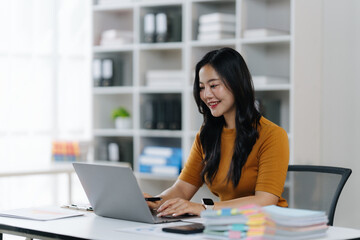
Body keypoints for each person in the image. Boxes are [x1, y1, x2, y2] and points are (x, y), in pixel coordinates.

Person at [144, 47, 289, 218]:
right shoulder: (206, 136)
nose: (206, 95)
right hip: (225, 224)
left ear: (236, 84)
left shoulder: (272, 135)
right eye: (201, 87)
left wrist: (206, 209)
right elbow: (182, 188)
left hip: (267, 226)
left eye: (213, 85)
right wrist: (155, 201)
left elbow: (265, 201)